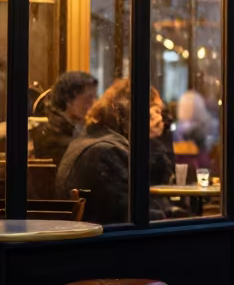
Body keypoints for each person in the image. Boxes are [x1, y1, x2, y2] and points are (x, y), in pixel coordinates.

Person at [56, 80, 173, 224]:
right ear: (137, 110)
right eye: (156, 110)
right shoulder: (106, 152)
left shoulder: (92, 140)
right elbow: (139, 214)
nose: (160, 118)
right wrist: (150, 141)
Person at [32, 71, 98, 165]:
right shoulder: (54, 136)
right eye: (88, 99)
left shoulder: (77, 128)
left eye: (96, 98)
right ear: (69, 100)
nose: (94, 104)